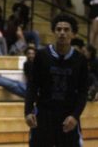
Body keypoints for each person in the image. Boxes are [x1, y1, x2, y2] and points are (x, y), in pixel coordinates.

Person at [25, 14, 88, 147]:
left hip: (68, 116)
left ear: (74, 33)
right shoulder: (42, 56)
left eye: (66, 30)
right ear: (54, 31)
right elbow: (32, 86)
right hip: (44, 114)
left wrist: (75, 116)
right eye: (58, 29)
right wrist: (28, 111)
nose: (62, 33)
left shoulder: (80, 60)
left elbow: (83, 92)